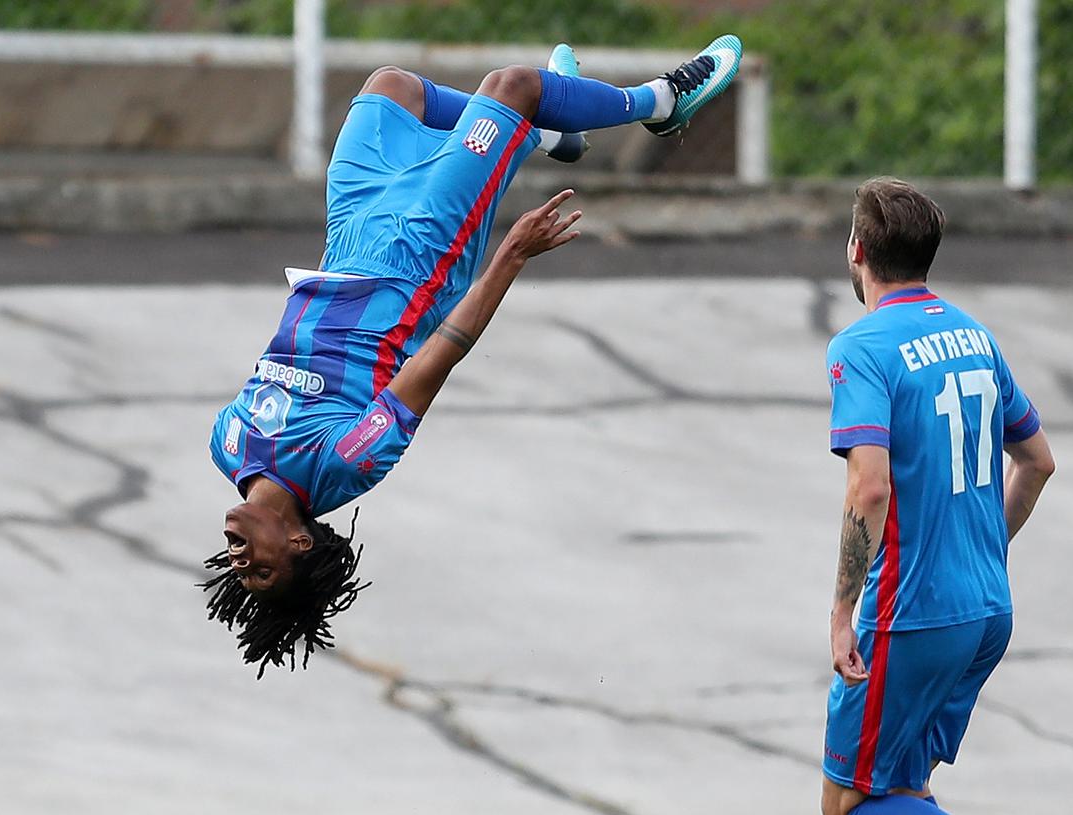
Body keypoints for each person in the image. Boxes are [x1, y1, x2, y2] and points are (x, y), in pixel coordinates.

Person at [203, 38, 743, 673]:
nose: (240, 560)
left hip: (348, 234)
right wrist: (509, 255)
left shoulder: (228, 443)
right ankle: (662, 102)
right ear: (298, 543)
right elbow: (439, 357)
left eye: (235, 568)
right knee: (514, 86)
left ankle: (548, 138)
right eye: (262, 573)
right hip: (418, 256)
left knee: (392, 87)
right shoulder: (342, 468)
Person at [819, 177, 1073, 815]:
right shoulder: (973, 336)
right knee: (908, 792)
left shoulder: (862, 348)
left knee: (852, 805)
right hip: (986, 606)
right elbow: (1039, 461)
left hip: (912, 612)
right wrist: (983, 551)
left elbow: (867, 490)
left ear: (858, 251)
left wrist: (840, 612)